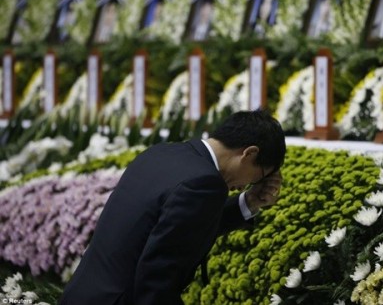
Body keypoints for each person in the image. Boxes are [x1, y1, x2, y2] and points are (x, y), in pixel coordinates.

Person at [59, 109, 286, 305]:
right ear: (250, 153)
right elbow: (157, 278)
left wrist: (249, 202)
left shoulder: (160, 154)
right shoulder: (205, 183)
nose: (245, 186)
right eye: (258, 177)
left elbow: (184, 227)